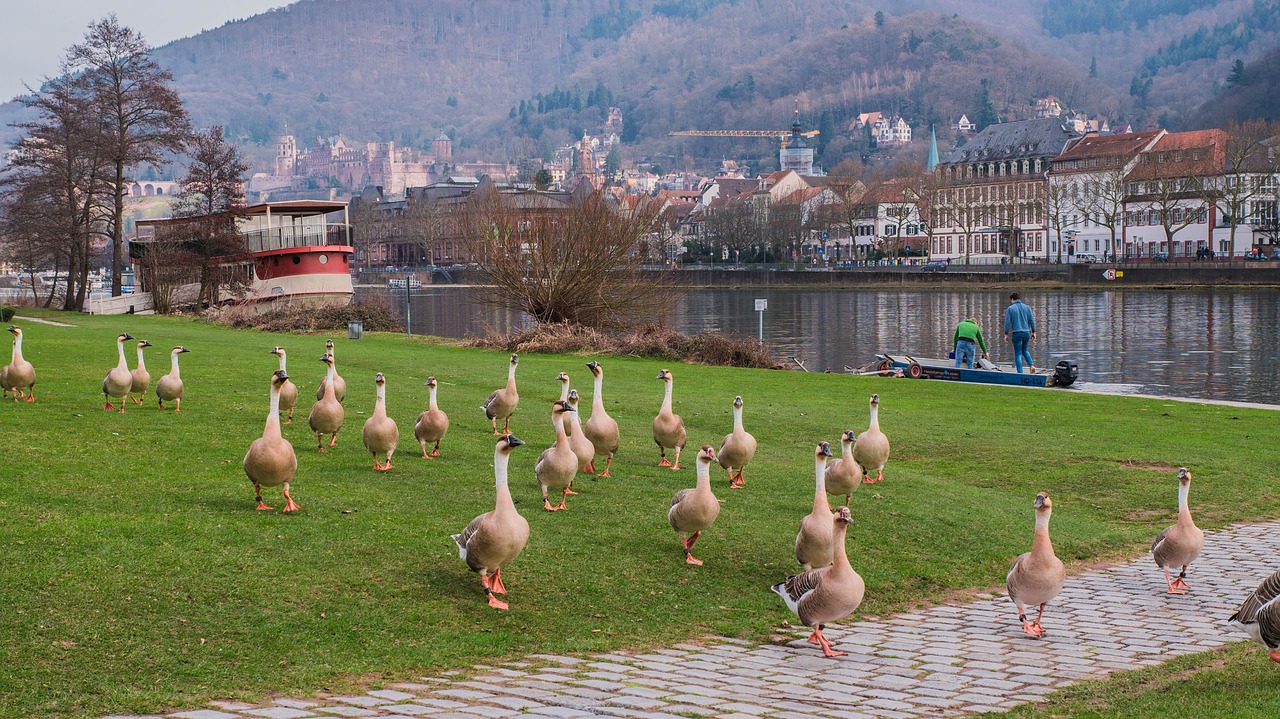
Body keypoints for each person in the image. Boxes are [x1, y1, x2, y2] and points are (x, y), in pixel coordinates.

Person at [1004, 292, 1037, 374]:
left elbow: (1007, 322)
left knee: (1018, 354)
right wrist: (1034, 332)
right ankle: (1031, 365)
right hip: (1026, 333)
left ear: (1012, 299)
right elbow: (1032, 320)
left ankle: (1020, 373)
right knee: (1025, 350)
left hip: (1017, 333)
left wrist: (1006, 334)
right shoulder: (1027, 307)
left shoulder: (1010, 308)